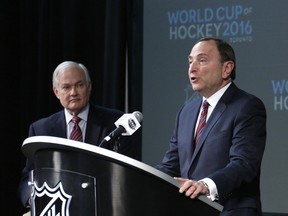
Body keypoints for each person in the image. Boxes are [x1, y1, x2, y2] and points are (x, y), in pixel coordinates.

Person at [156, 37, 266, 216]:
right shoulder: (186, 112)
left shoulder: (247, 106)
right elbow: (171, 165)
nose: (192, 68)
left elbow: (244, 164)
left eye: (202, 60)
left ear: (226, 68)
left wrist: (205, 186)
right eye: (190, 61)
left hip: (229, 211)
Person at [18, 61, 137, 209]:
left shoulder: (115, 123)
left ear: (89, 87)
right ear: (56, 92)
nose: (73, 92)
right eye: (66, 87)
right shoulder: (41, 129)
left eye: (79, 85)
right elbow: (28, 178)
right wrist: (34, 199)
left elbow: (126, 175)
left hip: (102, 207)